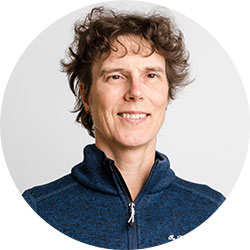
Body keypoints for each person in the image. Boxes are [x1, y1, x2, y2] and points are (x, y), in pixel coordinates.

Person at [22, 6, 225, 249]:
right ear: (85, 96)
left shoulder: (211, 210)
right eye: (116, 76)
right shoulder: (35, 211)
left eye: (151, 76)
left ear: (167, 93)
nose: (135, 93)